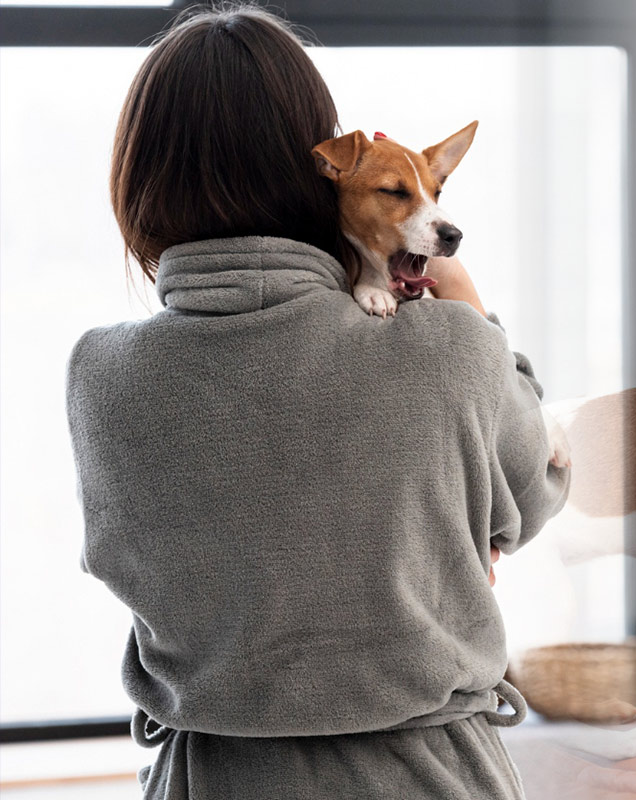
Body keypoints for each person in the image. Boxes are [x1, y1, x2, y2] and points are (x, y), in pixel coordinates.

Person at [65, 6, 568, 798]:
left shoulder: (100, 377)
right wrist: (472, 314)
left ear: (137, 180)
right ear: (317, 166)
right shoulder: (446, 343)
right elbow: (536, 488)